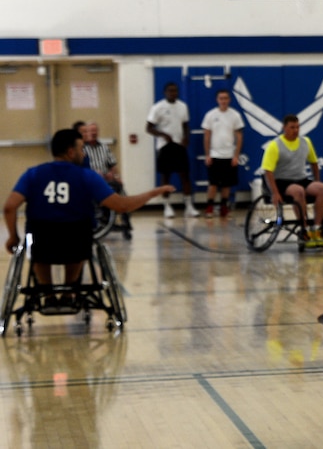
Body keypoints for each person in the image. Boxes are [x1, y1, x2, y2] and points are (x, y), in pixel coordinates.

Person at [3, 129, 174, 307]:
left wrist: (13, 236)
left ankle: (48, 293)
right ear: (71, 152)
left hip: (43, 244)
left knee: (39, 244)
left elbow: (9, 207)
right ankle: (70, 292)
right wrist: (153, 193)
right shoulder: (86, 176)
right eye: (81, 148)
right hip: (76, 244)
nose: (84, 153)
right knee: (79, 237)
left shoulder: (33, 174)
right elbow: (122, 206)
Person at [260, 114, 323, 247]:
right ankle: (303, 229)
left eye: (298, 127)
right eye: (292, 127)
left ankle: (316, 229)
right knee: (298, 191)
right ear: (284, 128)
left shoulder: (306, 142)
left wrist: (316, 181)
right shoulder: (275, 145)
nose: (296, 130)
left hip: (301, 178)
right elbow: (267, 171)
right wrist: (274, 193)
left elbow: (314, 163)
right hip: (281, 181)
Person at [146, 82, 198, 218]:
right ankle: (167, 206)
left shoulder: (183, 106)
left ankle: (189, 206)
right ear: (165, 92)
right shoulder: (158, 107)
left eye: (175, 91)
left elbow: (185, 124)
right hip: (165, 146)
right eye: (170, 91)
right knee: (166, 177)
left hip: (179, 145)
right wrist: (163, 135)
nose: (173, 93)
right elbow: (148, 128)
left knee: (185, 176)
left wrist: (186, 137)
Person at [81, 120, 132, 237]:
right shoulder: (83, 149)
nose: (93, 133)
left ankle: (126, 223)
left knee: (119, 188)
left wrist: (117, 176)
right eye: (91, 131)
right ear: (87, 133)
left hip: (106, 180)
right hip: (91, 180)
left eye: (95, 131)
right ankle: (102, 216)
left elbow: (113, 164)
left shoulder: (104, 147)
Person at [200, 89, 245, 218]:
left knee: (227, 184)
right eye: (221, 98)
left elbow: (239, 137)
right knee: (213, 183)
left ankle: (223, 207)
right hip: (214, 155)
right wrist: (207, 154)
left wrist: (236, 156)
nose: (223, 101)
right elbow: (207, 136)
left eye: (226, 98)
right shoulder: (210, 115)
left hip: (229, 155)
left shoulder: (235, 115)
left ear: (229, 100)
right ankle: (209, 207)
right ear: (217, 100)